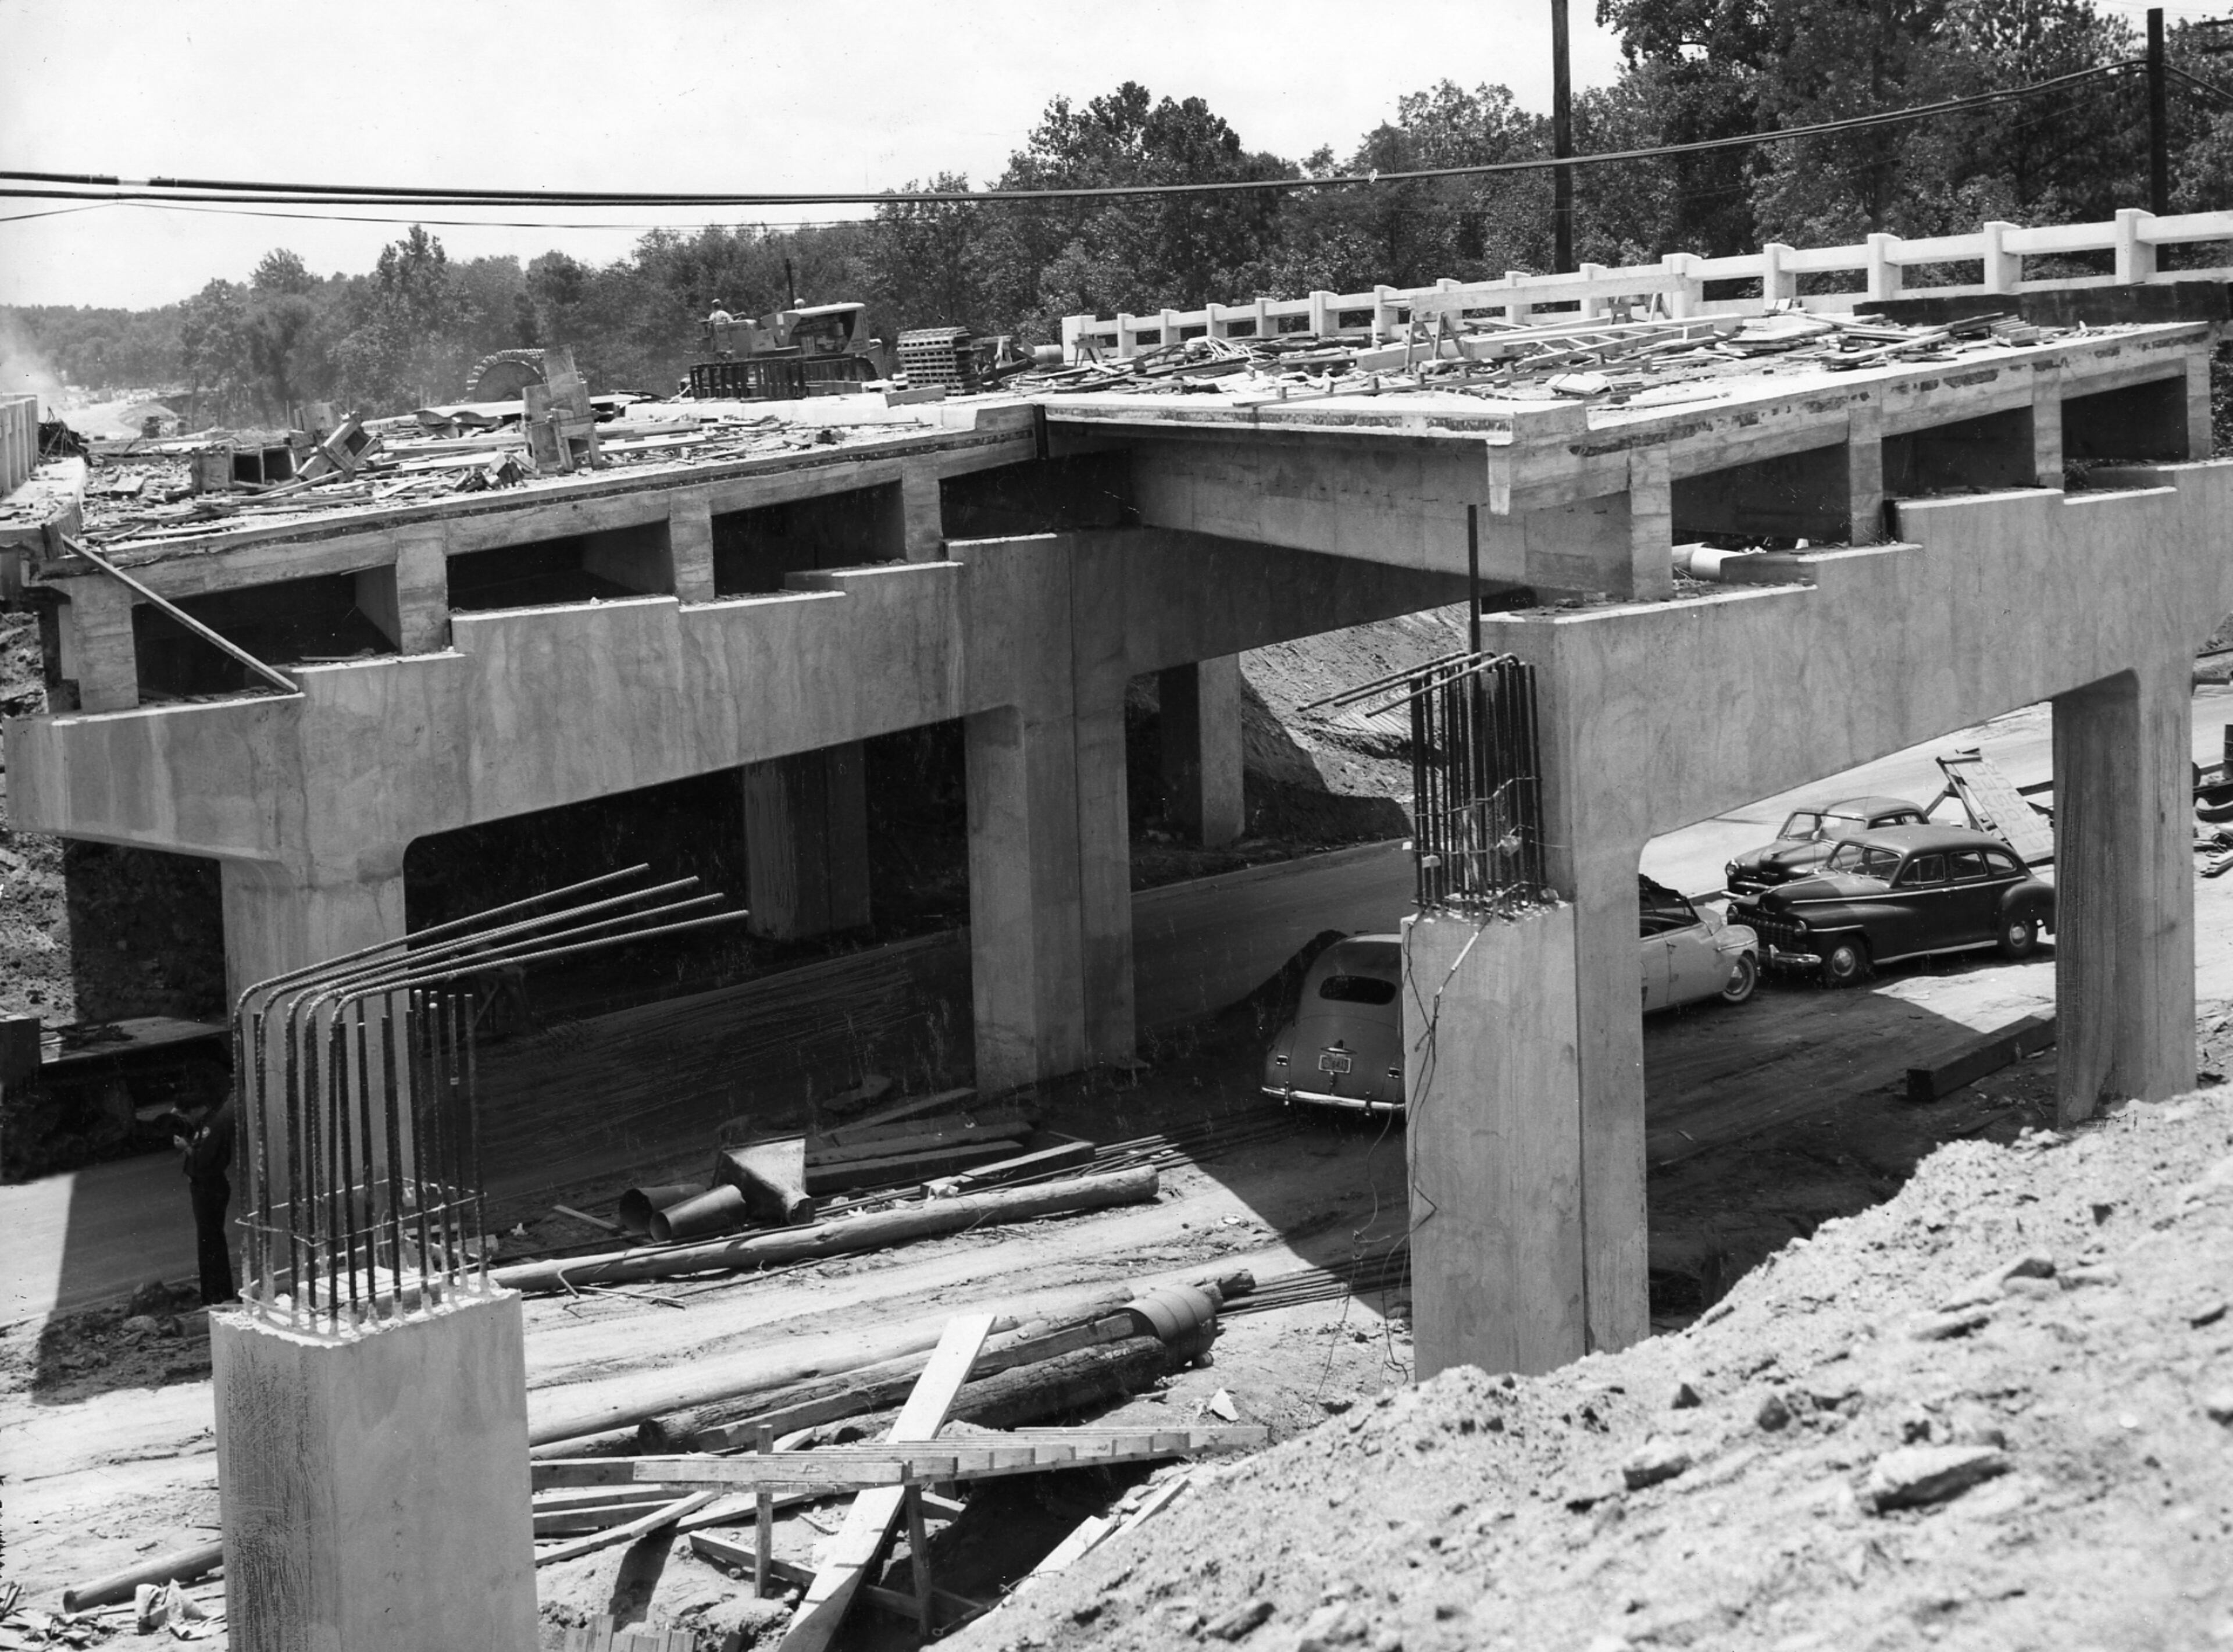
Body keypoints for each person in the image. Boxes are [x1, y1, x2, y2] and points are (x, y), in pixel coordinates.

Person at [171, 1091, 238, 1304]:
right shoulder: (208, 1123)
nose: (187, 1119)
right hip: (207, 1187)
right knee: (209, 1241)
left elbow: (204, 1161)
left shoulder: (212, 1127)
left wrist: (186, 1147)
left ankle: (217, 1295)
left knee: (211, 1243)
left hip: (209, 1188)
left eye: (187, 1114)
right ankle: (214, 1293)